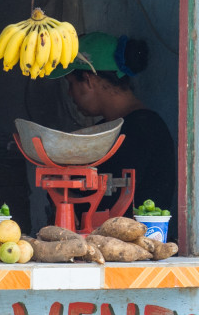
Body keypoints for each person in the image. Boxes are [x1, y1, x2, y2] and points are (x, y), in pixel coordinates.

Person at [47, 32, 177, 241]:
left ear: (88, 80)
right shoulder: (112, 129)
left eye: (71, 83)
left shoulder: (142, 130)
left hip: (131, 244)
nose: (70, 93)